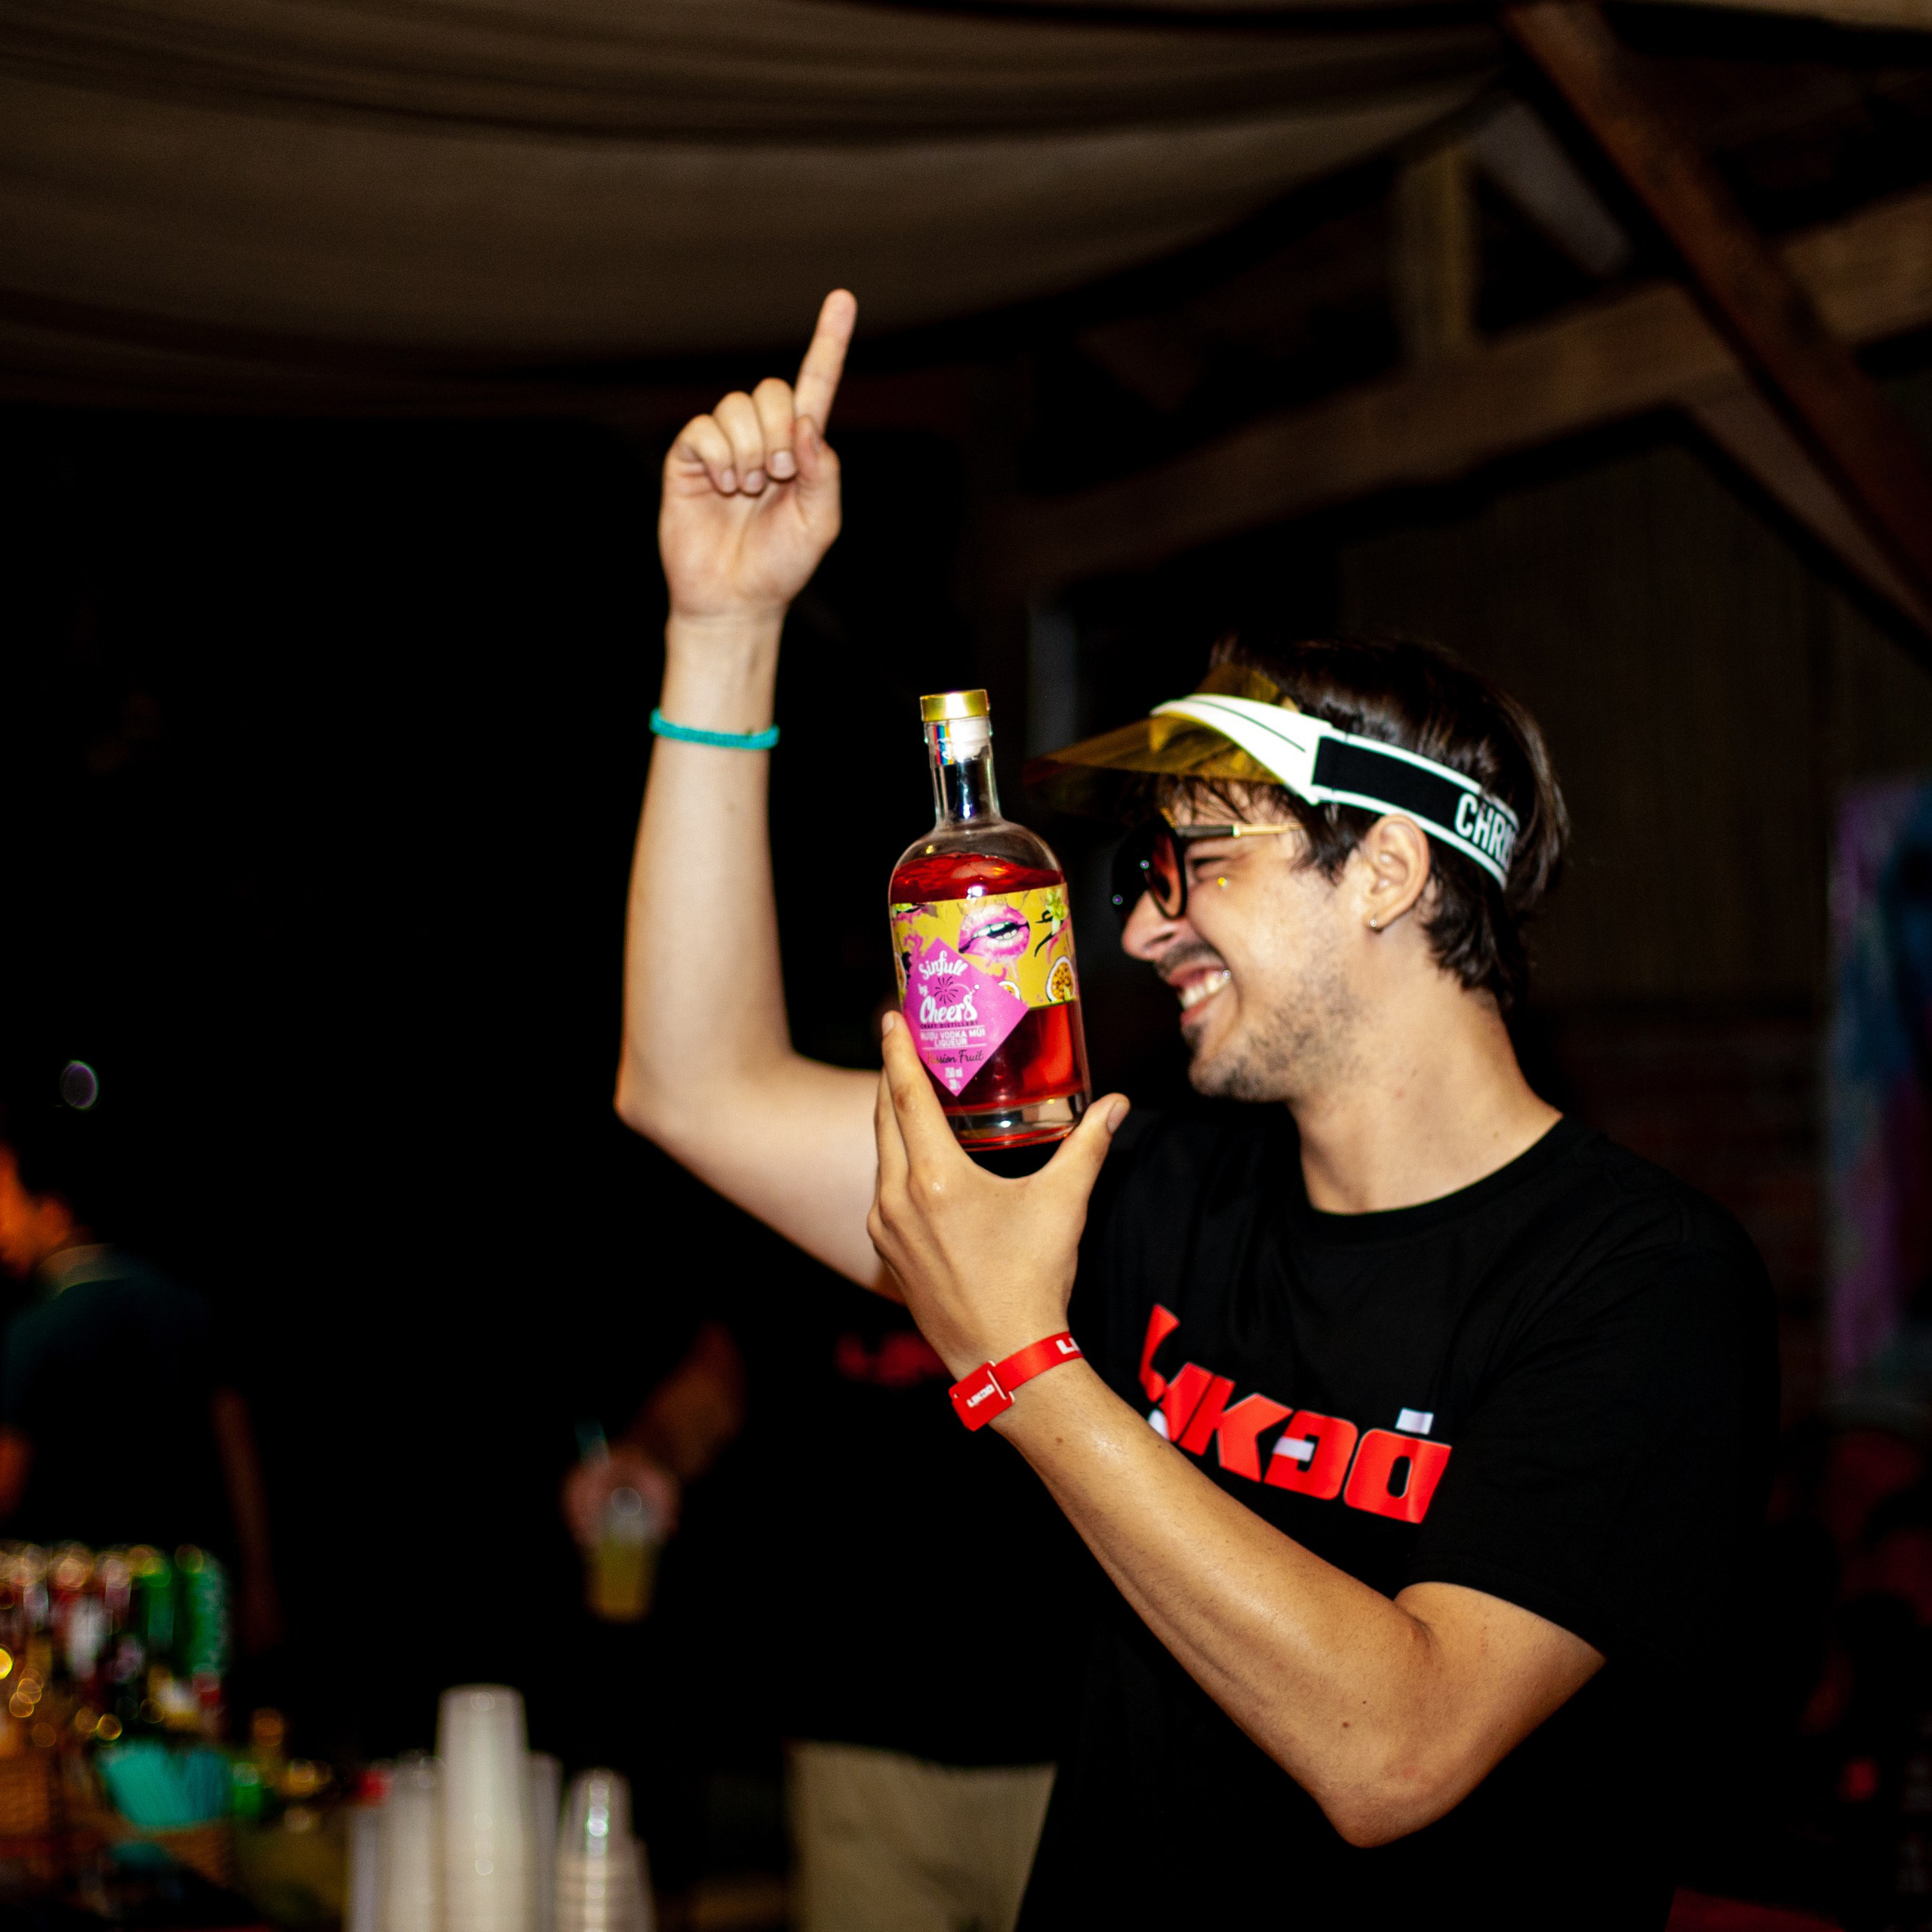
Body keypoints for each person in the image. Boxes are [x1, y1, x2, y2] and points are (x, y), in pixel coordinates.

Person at [614, 290, 1778, 1927]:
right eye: (1142, 874)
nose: (1148, 927)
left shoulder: (1641, 1282)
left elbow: (1395, 1748)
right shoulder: (1156, 1189)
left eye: (1197, 862)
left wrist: (1023, 1367)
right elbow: (694, 1085)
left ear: (1385, 868)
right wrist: (723, 628)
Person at [561, 1242, 1079, 1928]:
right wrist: (646, 1453)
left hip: (1072, 1740)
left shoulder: (1078, 1207)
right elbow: (720, 1374)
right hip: (856, 1740)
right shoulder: (804, 1221)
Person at [0, 1076, 281, 1656]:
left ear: (52, 1207)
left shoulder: (35, 1332)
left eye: (4, 1200)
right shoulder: (186, 1304)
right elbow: (239, 1449)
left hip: (80, 1613)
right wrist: (259, 1580)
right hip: (191, 1593)